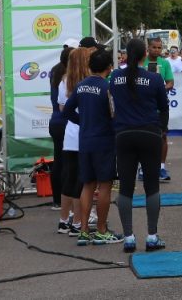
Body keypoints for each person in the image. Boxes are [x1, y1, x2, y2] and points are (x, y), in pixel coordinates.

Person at [109, 39, 169, 253]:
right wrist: (162, 130)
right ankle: (152, 237)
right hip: (150, 134)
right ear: (145, 54)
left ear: (126, 55)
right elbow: (164, 107)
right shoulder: (154, 78)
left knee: (126, 187)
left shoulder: (115, 77)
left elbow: (112, 104)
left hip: (123, 134)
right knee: (152, 186)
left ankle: (128, 238)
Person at [62, 47, 121, 245]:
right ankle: (102, 230)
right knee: (104, 185)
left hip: (85, 141)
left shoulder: (80, 86)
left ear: (90, 66)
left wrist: (83, 122)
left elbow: (66, 111)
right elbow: (114, 116)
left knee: (87, 185)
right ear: (109, 67)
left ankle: (84, 231)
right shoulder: (107, 88)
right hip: (103, 142)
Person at [57, 46, 87, 237]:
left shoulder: (64, 81)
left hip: (70, 135)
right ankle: (77, 222)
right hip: (84, 135)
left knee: (69, 178)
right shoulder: (88, 82)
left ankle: (63, 221)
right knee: (81, 180)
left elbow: (62, 109)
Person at [49, 41, 76, 213]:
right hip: (66, 122)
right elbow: (64, 105)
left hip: (56, 122)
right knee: (68, 163)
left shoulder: (55, 71)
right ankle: (68, 201)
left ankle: (57, 200)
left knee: (59, 161)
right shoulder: (68, 77)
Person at [142, 37, 174, 181]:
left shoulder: (165, 63)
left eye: (159, 47)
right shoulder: (141, 62)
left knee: (162, 136)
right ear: (148, 47)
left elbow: (170, 82)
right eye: (154, 47)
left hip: (160, 107)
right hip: (143, 107)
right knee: (143, 136)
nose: (157, 50)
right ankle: (142, 168)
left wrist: (160, 89)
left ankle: (161, 167)